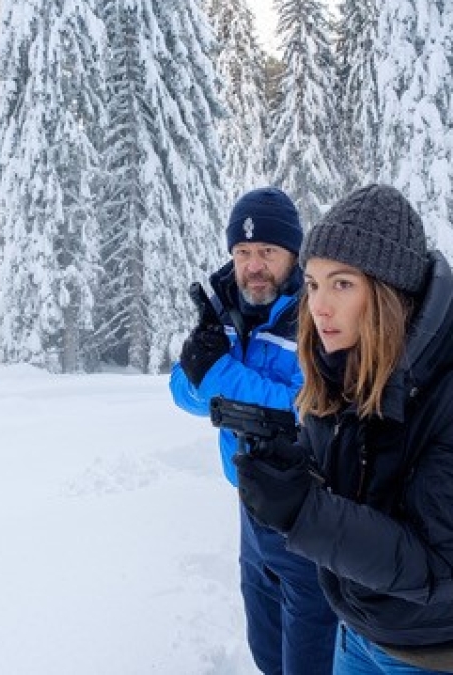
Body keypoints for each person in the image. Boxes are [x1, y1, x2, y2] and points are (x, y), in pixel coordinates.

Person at [233, 184, 453, 674]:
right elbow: (357, 485)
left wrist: (304, 510)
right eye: (314, 284)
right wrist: (292, 466)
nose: (320, 306)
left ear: (390, 292)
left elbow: (442, 567)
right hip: (356, 638)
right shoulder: (344, 364)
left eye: (342, 284)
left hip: (435, 658)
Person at [170, 187, 337, 675]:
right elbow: (183, 390)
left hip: (308, 513)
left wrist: (218, 374)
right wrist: (211, 374)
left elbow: (305, 406)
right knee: (267, 653)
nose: (253, 265)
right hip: (251, 506)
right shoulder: (227, 310)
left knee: (309, 661)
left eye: (267, 251)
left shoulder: (315, 315)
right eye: (242, 252)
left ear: (294, 254)